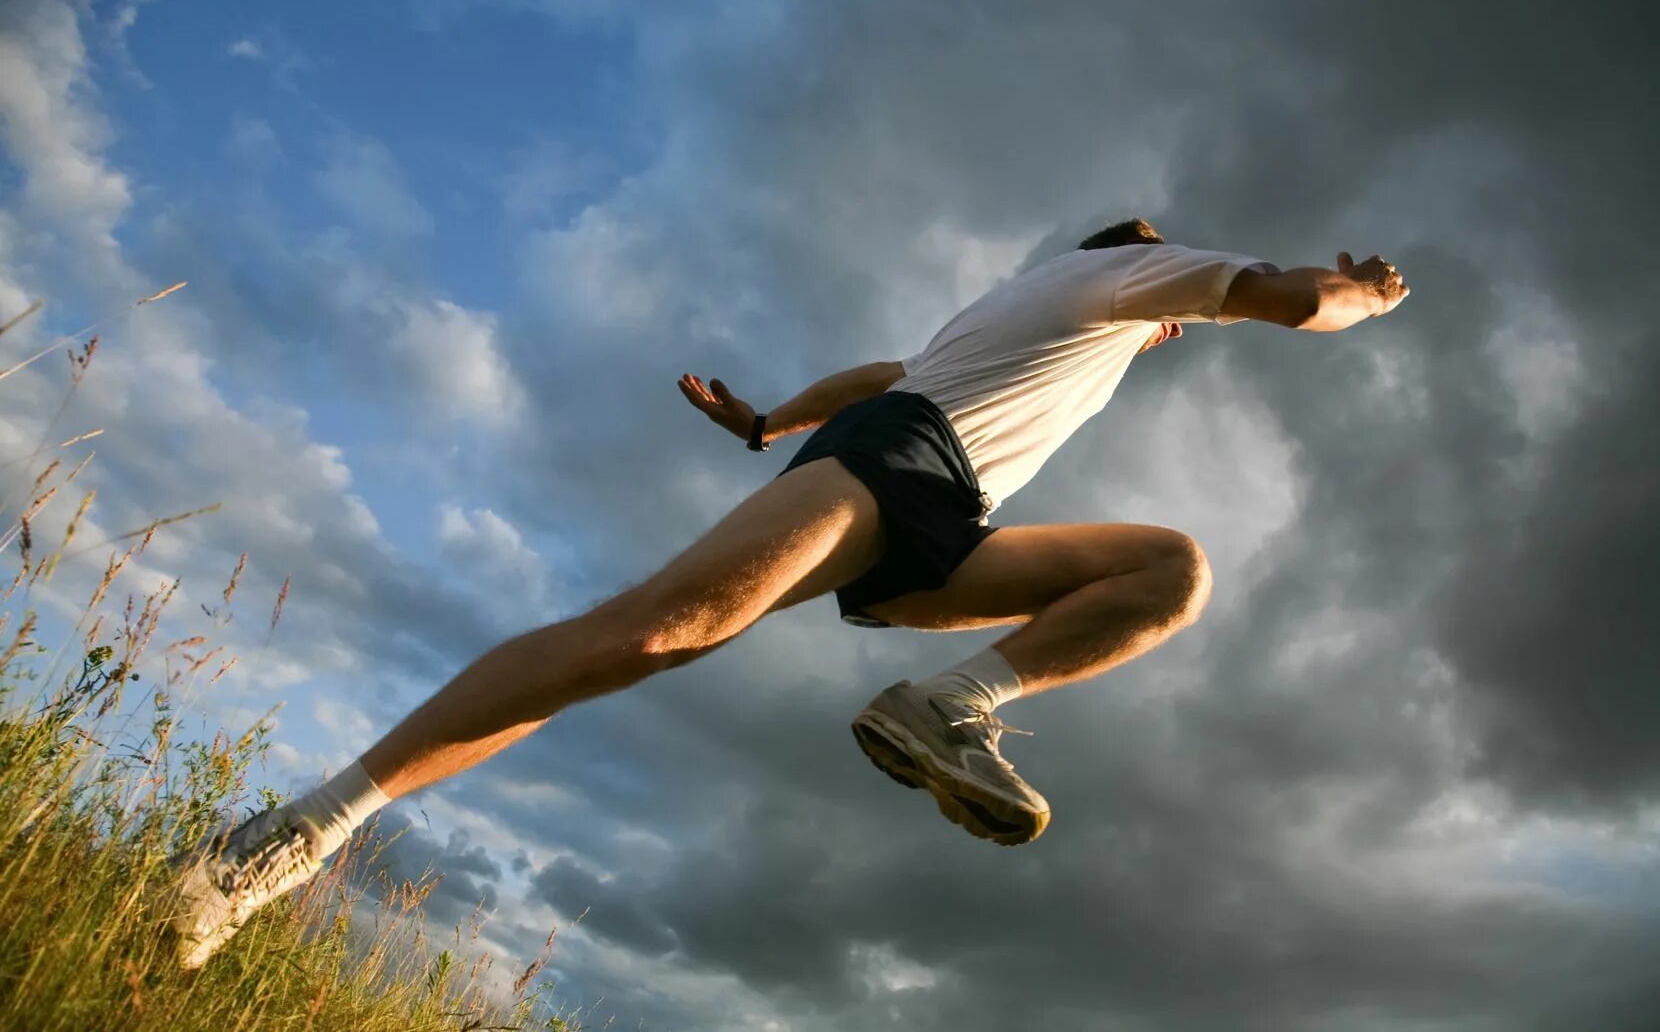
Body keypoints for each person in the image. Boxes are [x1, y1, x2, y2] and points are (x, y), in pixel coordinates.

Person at [167, 216, 1409, 968]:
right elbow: (1292, 300)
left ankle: (953, 706)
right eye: (1172, 308)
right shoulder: (1125, 277)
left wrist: (769, 420)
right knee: (649, 635)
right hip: (904, 462)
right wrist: (1362, 296)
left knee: (1165, 569)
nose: (1176, 326)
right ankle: (277, 842)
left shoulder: (1028, 321)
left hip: (942, 506)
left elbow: (883, 366)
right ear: (1143, 275)